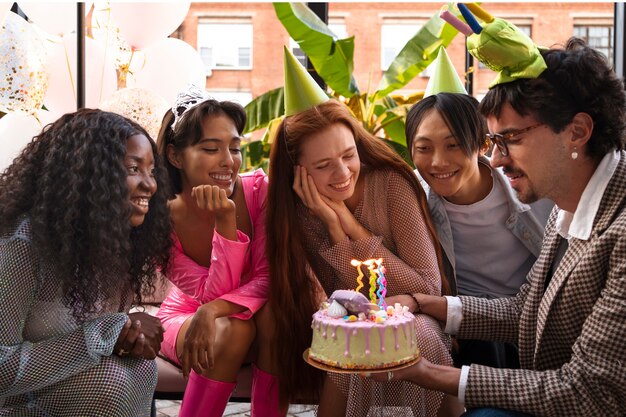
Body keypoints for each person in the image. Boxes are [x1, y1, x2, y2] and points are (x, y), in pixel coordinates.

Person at [369, 37, 626, 416]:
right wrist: (425, 304)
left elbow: (590, 391)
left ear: (577, 131)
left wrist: (427, 373)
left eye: (512, 139)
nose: (497, 159)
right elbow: (527, 310)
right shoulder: (566, 207)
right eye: (495, 141)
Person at [267, 48, 463, 417]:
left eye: (348, 155)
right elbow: (351, 303)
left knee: (405, 338)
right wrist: (331, 227)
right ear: (298, 170)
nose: (342, 173)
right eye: (324, 165)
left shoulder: (391, 185)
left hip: (423, 321)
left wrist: (347, 222)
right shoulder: (301, 215)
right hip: (357, 331)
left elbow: (426, 286)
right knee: (359, 345)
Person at [0, 109, 172, 416]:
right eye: (134, 168)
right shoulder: (22, 245)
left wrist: (126, 336)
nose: (151, 185)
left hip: (61, 395)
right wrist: (106, 332)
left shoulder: (108, 241)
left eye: (152, 170)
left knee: (140, 370)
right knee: (111, 381)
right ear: (92, 174)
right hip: (12, 405)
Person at [155, 85, 279, 417]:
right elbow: (213, 294)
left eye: (235, 148)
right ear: (175, 155)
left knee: (275, 318)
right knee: (232, 329)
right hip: (188, 319)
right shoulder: (160, 222)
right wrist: (226, 223)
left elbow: (270, 278)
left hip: (249, 320)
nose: (228, 161)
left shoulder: (259, 193)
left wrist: (210, 311)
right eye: (211, 148)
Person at [405, 92, 552, 368]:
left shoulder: (531, 189)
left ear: (482, 144)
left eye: (453, 145)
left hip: (526, 321)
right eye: (424, 148)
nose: (438, 162)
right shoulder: (412, 196)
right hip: (462, 324)